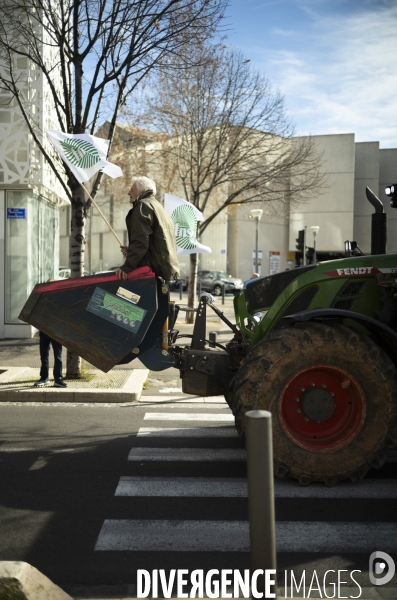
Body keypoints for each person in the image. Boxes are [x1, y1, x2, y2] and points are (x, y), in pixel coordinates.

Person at [116, 176, 180, 282]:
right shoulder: (158, 207)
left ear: (141, 191)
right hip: (162, 271)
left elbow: (141, 241)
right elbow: (155, 241)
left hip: (149, 273)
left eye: (132, 190)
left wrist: (127, 266)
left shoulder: (142, 206)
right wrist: (132, 251)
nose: (128, 193)